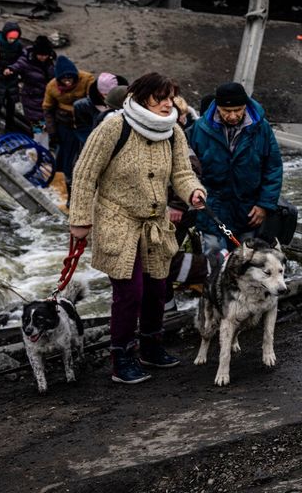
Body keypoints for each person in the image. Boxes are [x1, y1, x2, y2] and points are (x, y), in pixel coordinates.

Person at [67, 72, 206, 384]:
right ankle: (122, 358)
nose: (168, 104)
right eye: (161, 98)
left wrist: (193, 192)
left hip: (155, 223)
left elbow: (183, 173)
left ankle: (151, 348)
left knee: (157, 288)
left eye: (171, 97)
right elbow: (85, 174)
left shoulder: (173, 131)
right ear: (143, 97)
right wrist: (79, 221)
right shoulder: (114, 126)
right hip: (118, 219)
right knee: (130, 292)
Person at [187, 81, 283, 254]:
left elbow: (273, 167)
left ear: (245, 105)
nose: (232, 116)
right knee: (214, 253)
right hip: (212, 207)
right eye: (227, 111)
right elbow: (185, 166)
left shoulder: (262, 128)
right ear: (217, 107)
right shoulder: (199, 129)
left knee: (246, 257)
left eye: (238, 110)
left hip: (248, 209)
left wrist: (264, 204)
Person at [43, 56, 95, 186]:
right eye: (64, 80)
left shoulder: (87, 79)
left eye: (70, 79)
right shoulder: (51, 87)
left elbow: (94, 99)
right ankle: (69, 181)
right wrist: (52, 132)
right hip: (65, 125)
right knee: (67, 156)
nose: (68, 83)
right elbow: (47, 109)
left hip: (84, 123)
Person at [8, 35, 55, 135]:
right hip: (32, 98)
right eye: (40, 55)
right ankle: (41, 145)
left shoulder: (51, 61)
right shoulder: (27, 60)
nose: (43, 57)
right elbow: (18, 65)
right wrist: (11, 69)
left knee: (47, 124)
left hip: (47, 98)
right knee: (38, 126)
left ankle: (44, 141)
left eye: (45, 55)